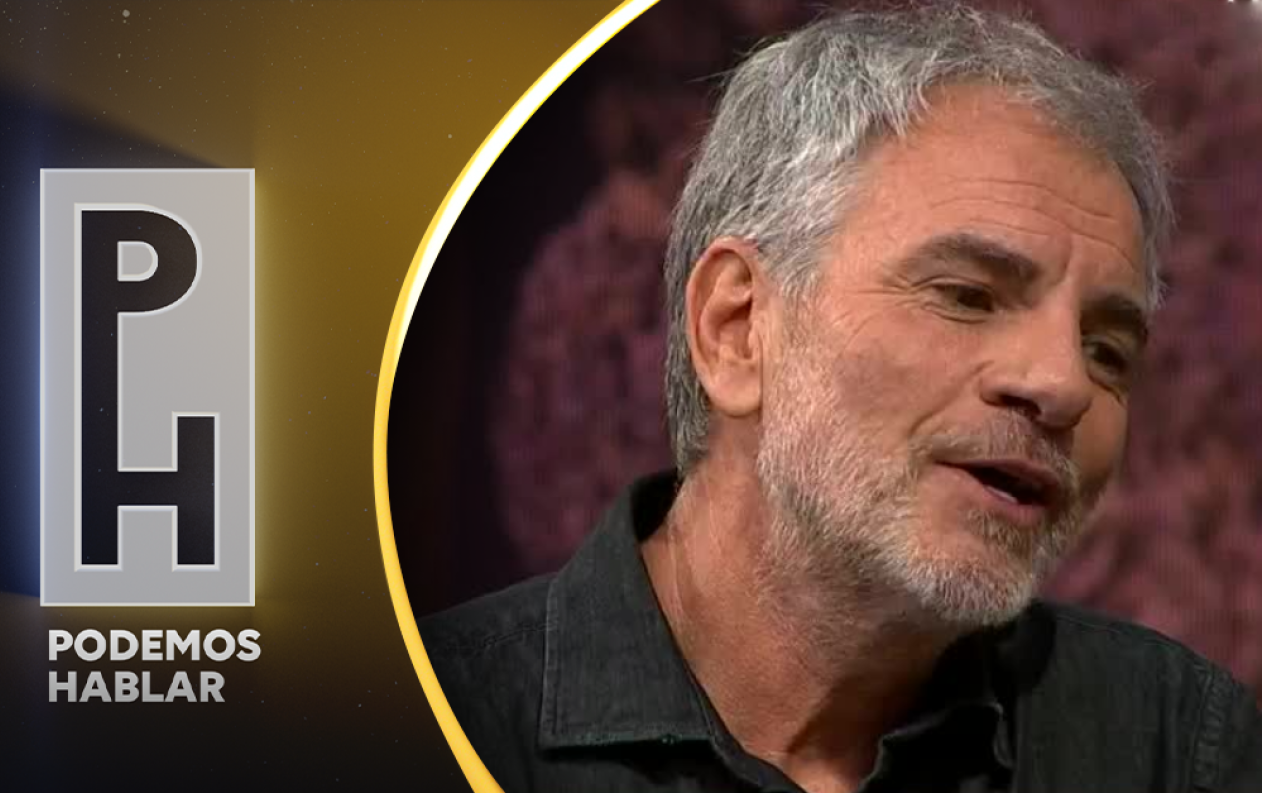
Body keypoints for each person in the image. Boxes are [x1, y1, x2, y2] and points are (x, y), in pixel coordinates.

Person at [419, 5, 1262, 792]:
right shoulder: (433, 712)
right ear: (737, 328)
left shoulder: (1176, 746)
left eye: (1107, 350)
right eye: (968, 295)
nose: (1064, 383)